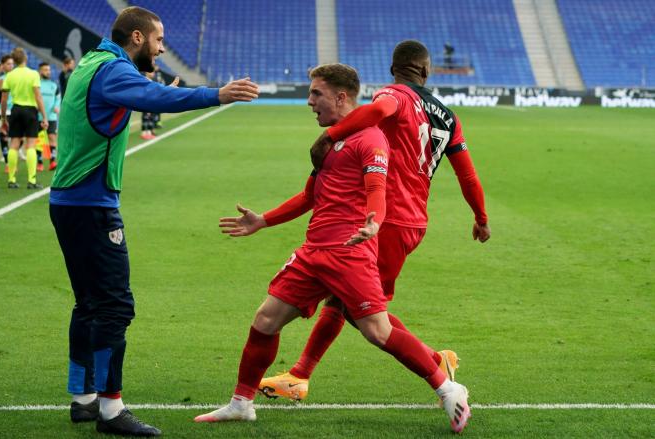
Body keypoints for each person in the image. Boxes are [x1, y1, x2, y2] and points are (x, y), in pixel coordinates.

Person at [194, 63, 471, 434]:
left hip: (349, 253)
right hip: (313, 251)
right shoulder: (330, 143)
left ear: (341, 97)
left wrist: (373, 220)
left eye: (316, 94)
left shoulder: (370, 138)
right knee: (265, 320)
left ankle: (447, 387)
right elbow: (309, 196)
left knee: (376, 330)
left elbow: (377, 188)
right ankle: (241, 403)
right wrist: (264, 220)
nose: (309, 101)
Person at [49, 6, 259, 437]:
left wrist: (143, 86)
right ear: (139, 38)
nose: (164, 48)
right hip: (92, 206)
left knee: (88, 304)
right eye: (159, 40)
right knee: (114, 306)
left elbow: (125, 96)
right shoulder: (112, 71)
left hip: (69, 202)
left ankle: (83, 397)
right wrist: (216, 94)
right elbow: (159, 98)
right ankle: (110, 410)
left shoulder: (94, 61)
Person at [260, 40, 490, 402]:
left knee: (362, 309)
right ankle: (300, 376)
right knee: (344, 298)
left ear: (392, 69)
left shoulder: (393, 94)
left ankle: (435, 363)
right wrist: (481, 217)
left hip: (382, 216)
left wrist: (331, 135)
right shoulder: (448, 116)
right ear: (427, 71)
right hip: (413, 222)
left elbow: (379, 109)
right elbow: (468, 175)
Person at [0, 47, 48, 189]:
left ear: (13, 61)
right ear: (25, 59)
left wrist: (3, 118)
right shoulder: (33, 74)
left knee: (14, 144)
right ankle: (31, 181)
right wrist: (44, 116)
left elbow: (3, 100)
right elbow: (38, 96)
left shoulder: (9, 75)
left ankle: (11, 180)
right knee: (31, 145)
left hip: (15, 110)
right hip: (30, 111)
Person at [37, 62, 61, 171]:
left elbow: (58, 98)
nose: (48, 72)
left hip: (51, 117)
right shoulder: (37, 84)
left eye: (49, 70)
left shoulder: (54, 85)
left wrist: (57, 107)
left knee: (52, 137)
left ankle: (52, 161)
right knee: (39, 140)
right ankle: (39, 162)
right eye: (46, 70)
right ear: (40, 71)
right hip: (38, 117)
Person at [0, 54, 15, 174]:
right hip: (2, 112)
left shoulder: (16, 77)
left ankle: (12, 160)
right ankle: (9, 163)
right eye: (8, 63)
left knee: (18, 138)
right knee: (3, 137)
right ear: (2, 65)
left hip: (16, 111)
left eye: (12, 63)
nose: (11, 66)